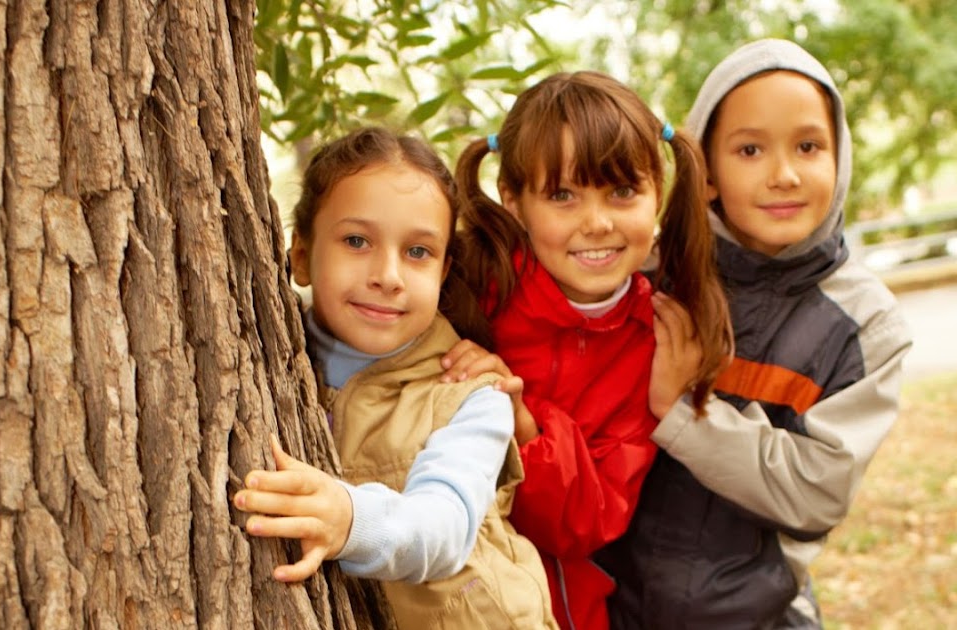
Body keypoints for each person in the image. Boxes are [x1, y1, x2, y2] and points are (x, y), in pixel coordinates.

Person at [597, 38, 915, 628]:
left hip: (757, 617)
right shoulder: (648, 276)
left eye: (809, 146)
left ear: (839, 158)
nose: (785, 174)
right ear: (708, 171)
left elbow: (818, 494)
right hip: (612, 611)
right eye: (749, 149)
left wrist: (686, 413)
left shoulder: (865, 324)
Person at [441, 70, 736, 630]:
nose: (596, 223)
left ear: (657, 194)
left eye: (622, 192)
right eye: (562, 196)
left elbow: (587, 522)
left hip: (566, 613)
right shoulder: (465, 293)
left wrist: (524, 421)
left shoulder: (658, 338)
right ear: (515, 203)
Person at [232, 127, 557, 629]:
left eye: (417, 252)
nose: (388, 274)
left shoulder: (471, 396)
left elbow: (445, 529)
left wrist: (350, 519)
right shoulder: (257, 351)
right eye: (357, 241)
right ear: (301, 253)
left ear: (444, 271)